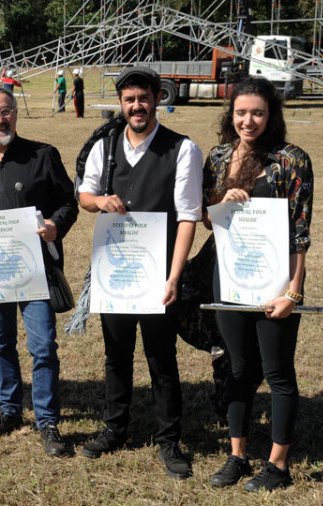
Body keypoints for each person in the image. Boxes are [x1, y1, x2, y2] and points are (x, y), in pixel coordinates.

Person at [77, 67, 203, 478]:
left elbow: (187, 217)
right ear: (121, 103)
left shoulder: (182, 149)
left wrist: (173, 276)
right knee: (116, 353)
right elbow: (84, 196)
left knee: (161, 356)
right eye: (129, 99)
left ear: (157, 100)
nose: (137, 106)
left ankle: (169, 440)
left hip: (158, 273)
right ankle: (115, 428)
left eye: (144, 98)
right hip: (114, 270)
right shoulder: (105, 143)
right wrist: (100, 202)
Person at [204, 77, 313, 492]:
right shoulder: (217, 157)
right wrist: (220, 203)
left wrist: (292, 291)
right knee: (237, 368)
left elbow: (300, 233)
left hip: (275, 280)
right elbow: (204, 216)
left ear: (271, 115)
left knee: (277, 371)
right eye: (241, 113)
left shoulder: (291, 160)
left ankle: (278, 465)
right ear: (230, 115)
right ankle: (237, 456)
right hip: (229, 278)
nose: (248, 121)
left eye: (257, 113)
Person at [0, 88, 78, 456]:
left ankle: (47, 421)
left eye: (5, 111)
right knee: (1, 344)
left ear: (15, 115)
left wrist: (56, 225)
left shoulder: (43, 154)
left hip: (35, 269)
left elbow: (68, 201)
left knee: (42, 347)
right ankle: (9, 410)